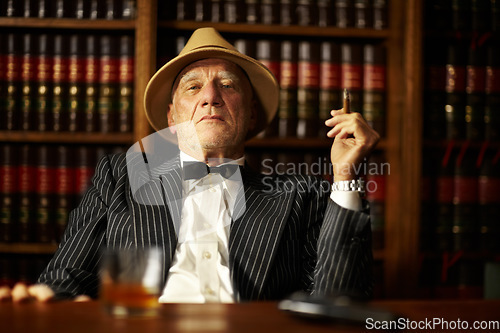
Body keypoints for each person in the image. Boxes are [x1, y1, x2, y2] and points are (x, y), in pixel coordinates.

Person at [2, 27, 379, 303]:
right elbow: (66, 278)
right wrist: (53, 302)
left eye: (228, 86)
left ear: (250, 117)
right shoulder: (119, 177)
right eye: (193, 87)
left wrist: (345, 177)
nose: (211, 97)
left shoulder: (299, 195)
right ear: (172, 117)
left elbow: (336, 299)